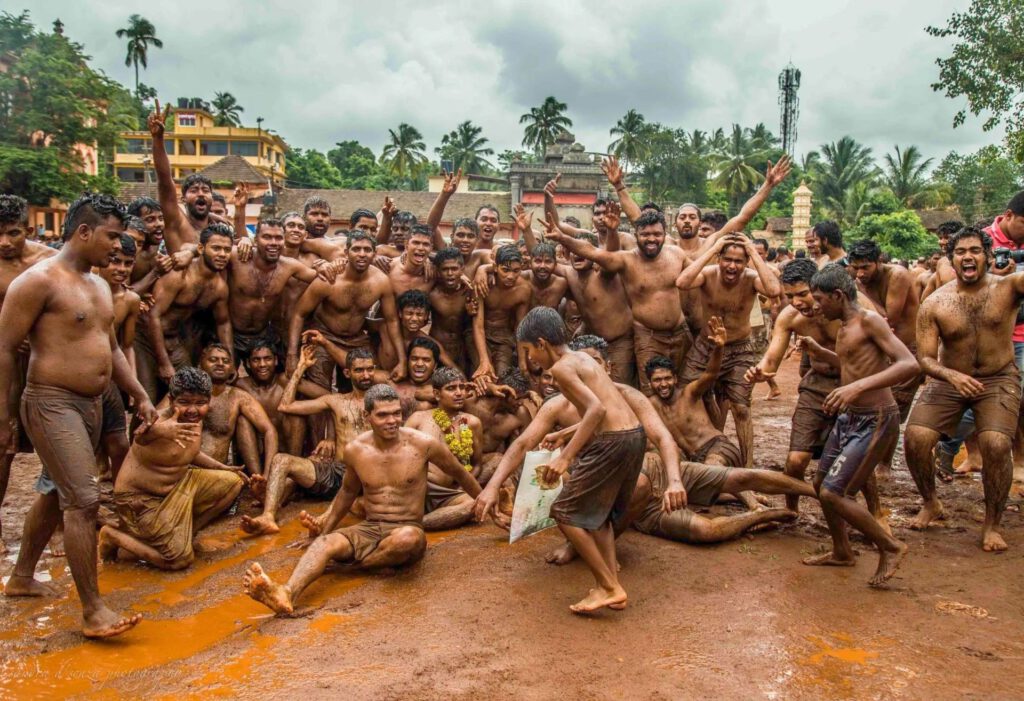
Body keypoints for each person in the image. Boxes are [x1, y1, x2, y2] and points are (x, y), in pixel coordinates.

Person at [0, 193, 157, 639]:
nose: (116, 247)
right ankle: (92, 611)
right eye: (110, 236)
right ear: (84, 232)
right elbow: (5, 350)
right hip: (51, 401)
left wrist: (140, 394)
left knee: (57, 492)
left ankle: (21, 577)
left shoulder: (100, 284)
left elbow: (109, 347)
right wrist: (3, 419)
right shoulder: (38, 282)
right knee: (84, 500)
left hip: (93, 403)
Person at [476, 307, 685, 614]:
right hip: (632, 437)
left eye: (529, 350)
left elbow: (596, 411)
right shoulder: (584, 358)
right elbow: (606, 408)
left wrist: (565, 456)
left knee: (563, 511)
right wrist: (568, 434)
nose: (531, 359)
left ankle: (608, 587)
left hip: (610, 443)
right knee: (598, 516)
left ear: (543, 343)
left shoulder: (561, 369)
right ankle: (612, 584)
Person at [243, 384, 482, 615]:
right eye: (383, 415)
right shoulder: (356, 449)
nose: (392, 421)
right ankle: (286, 592)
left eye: (397, 413)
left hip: (406, 528)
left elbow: (460, 473)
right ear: (368, 416)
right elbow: (347, 492)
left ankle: (346, 568)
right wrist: (325, 529)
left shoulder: (423, 444)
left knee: (407, 538)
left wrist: (486, 505)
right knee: (325, 543)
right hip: (370, 528)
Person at [904, 227, 1024, 552]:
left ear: (987, 255)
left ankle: (992, 525)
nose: (967, 257)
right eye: (960, 252)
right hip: (949, 378)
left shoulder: (1010, 287)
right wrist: (951, 376)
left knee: (996, 443)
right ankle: (931, 503)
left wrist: (1014, 264)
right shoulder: (935, 302)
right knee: (915, 436)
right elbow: (925, 358)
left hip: (999, 377)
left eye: (974, 250)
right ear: (951, 259)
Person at [801, 264, 916, 586]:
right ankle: (842, 551)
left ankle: (890, 546)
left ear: (838, 296)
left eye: (820, 299)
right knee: (820, 483)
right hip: (849, 418)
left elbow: (909, 363)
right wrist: (821, 351)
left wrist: (857, 388)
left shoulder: (869, 320)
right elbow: (854, 364)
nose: (816, 306)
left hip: (875, 418)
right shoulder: (843, 325)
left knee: (836, 493)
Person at [100, 367, 245, 570]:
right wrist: (161, 429)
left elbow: (191, 453)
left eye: (200, 403)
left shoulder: (194, 419)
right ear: (171, 399)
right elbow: (140, 437)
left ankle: (186, 533)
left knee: (233, 482)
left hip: (175, 486)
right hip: (141, 501)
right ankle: (112, 535)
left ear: (209, 401)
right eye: (184, 402)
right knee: (178, 560)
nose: (193, 410)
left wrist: (224, 467)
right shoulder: (157, 420)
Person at [240, 346, 378, 535]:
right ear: (347, 373)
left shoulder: (384, 401)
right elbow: (286, 406)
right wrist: (300, 369)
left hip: (365, 473)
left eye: (370, 369)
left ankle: (321, 519)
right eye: (359, 370)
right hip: (335, 472)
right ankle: (268, 517)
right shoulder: (335, 401)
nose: (366, 375)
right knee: (282, 459)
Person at [676, 234, 783, 466]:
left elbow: (774, 290)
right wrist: (712, 249)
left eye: (738, 261)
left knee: (742, 408)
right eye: (727, 259)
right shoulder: (708, 274)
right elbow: (682, 282)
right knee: (685, 396)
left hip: (739, 350)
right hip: (706, 346)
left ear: (745, 263)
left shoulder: (752, 278)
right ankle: (692, 457)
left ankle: (747, 468)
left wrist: (753, 252)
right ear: (719, 258)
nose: (732, 266)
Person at [0, 195, 56, 553]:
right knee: (2, 445)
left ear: (30, 229)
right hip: (3, 363)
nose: (3, 242)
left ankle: (57, 522)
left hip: (44, 362)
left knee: (53, 446)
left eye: (12, 233)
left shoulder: (49, 262)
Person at [288, 231, 404, 393]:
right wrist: (292, 355)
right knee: (318, 388)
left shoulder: (381, 281)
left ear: (374, 253)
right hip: (323, 335)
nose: (362, 254)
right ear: (346, 252)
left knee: (368, 386)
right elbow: (299, 314)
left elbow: (392, 320)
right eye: (356, 249)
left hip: (356, 338)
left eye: (367, 250)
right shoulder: (329, 279)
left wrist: (402, 360)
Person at [847, 239, 922, 473]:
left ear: (879, 262)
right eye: (855, 267)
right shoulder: (860, 280)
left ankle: (884, 463)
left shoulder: (897, 275)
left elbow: (889, 318)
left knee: (894, 409)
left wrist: (858, 294)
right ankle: (869, 455)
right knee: (873, 403)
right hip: (880, 348)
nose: (860, 273)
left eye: (865, 267)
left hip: (906, 350)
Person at [140, 223, 234, 402]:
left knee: (189, 392)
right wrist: (164, 363)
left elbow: (223, 323)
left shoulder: (219, 287)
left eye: (227, 250)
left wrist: (232, 363)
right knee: (147, 398)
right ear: (201, 248)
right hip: (145, 337)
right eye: (216, 248)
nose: (222, 254)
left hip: (174, 340)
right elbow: (153, 315)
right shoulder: (179, 275)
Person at [227, 217, 333, 365]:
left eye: (278, 238)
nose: (273, 243)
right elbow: (205, 252)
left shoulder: (289, 266)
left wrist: (326, 266)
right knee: (223, 379)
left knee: (268, 381)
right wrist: (188, 253)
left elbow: (324, 278)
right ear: (255, 239)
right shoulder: (236, 257)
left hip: (262, 335)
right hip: (230, 332)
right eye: (267, 237)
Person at [179, 343, 277, 477]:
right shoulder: (183, 393)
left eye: (226, 361)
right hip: (179, 469)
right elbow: (156, 420)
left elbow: (269, 430)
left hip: (215, 475)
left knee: (244, 421)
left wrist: (267, 475)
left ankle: (257, 481)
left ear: (232, 368)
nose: (220, 364)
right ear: (200, 365)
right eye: (213, 360)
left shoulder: (238, 397)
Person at [405, 367, 484, 529]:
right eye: (451, 388)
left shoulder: (472, 423)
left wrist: (463, 487)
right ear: (436, 394)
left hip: (447, 492)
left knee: (473, 504)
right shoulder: (418, 419)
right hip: (417, 487)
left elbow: (476, 464)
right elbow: (399, 457)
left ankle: (417, 524)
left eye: (462, 387)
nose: (459, 393)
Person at [94, 233, 142, 481]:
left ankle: (121, 496)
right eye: (115, 261)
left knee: (120, 444)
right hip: (74, 379)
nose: (121, 269)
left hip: (110, 377)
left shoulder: (131, 300)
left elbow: (126, 346)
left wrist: (133, 388)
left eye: (128, 263)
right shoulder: (83, 288)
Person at [148, 102, 216, 254]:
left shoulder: (219, 230)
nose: (200, 194)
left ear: (212, 198)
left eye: (205, 190)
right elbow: (165, 182)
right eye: (194, 190)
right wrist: (158, 139)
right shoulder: (177, 223)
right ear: (183, 199)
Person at [234, 342, 323, 456]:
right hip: (256, 452)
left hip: (287, 449)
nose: (262, 364)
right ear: (248, 363)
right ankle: (256, 473)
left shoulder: (285, 380)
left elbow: (329, 398)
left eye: (267, 359)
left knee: (296, 415)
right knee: (242, 420)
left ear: (275, 360)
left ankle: (293, 467)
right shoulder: (240, 385)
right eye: (256, 360)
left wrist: (330, 437)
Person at [472, 244, 532, 379]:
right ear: (495, 268)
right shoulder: (483, 283)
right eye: (505, 270)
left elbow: (520, 327)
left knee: (503, 376)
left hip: (504, 338)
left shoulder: (524, 289)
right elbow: (478, 325)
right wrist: (484, 360)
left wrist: (522, 362)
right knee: (484, 375)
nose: (511, 276)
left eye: (516, 271)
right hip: (479, 335)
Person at [379, 289, 457, 372]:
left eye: (419, 314)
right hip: (382, 380)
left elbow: (454, 370)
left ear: (426, 316)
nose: (414, 319)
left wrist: (466, 384)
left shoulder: (429, 343)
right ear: (400, 313)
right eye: (409, 313)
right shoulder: (384, 328)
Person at [428, 247, 477, 372]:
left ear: (462, 270)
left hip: (462, 348)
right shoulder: (431, 293)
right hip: (438, 347)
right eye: (445, 269)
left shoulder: (469, 291)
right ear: (438, 271)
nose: (450, 273)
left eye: (454, 269)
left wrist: (470, 314)